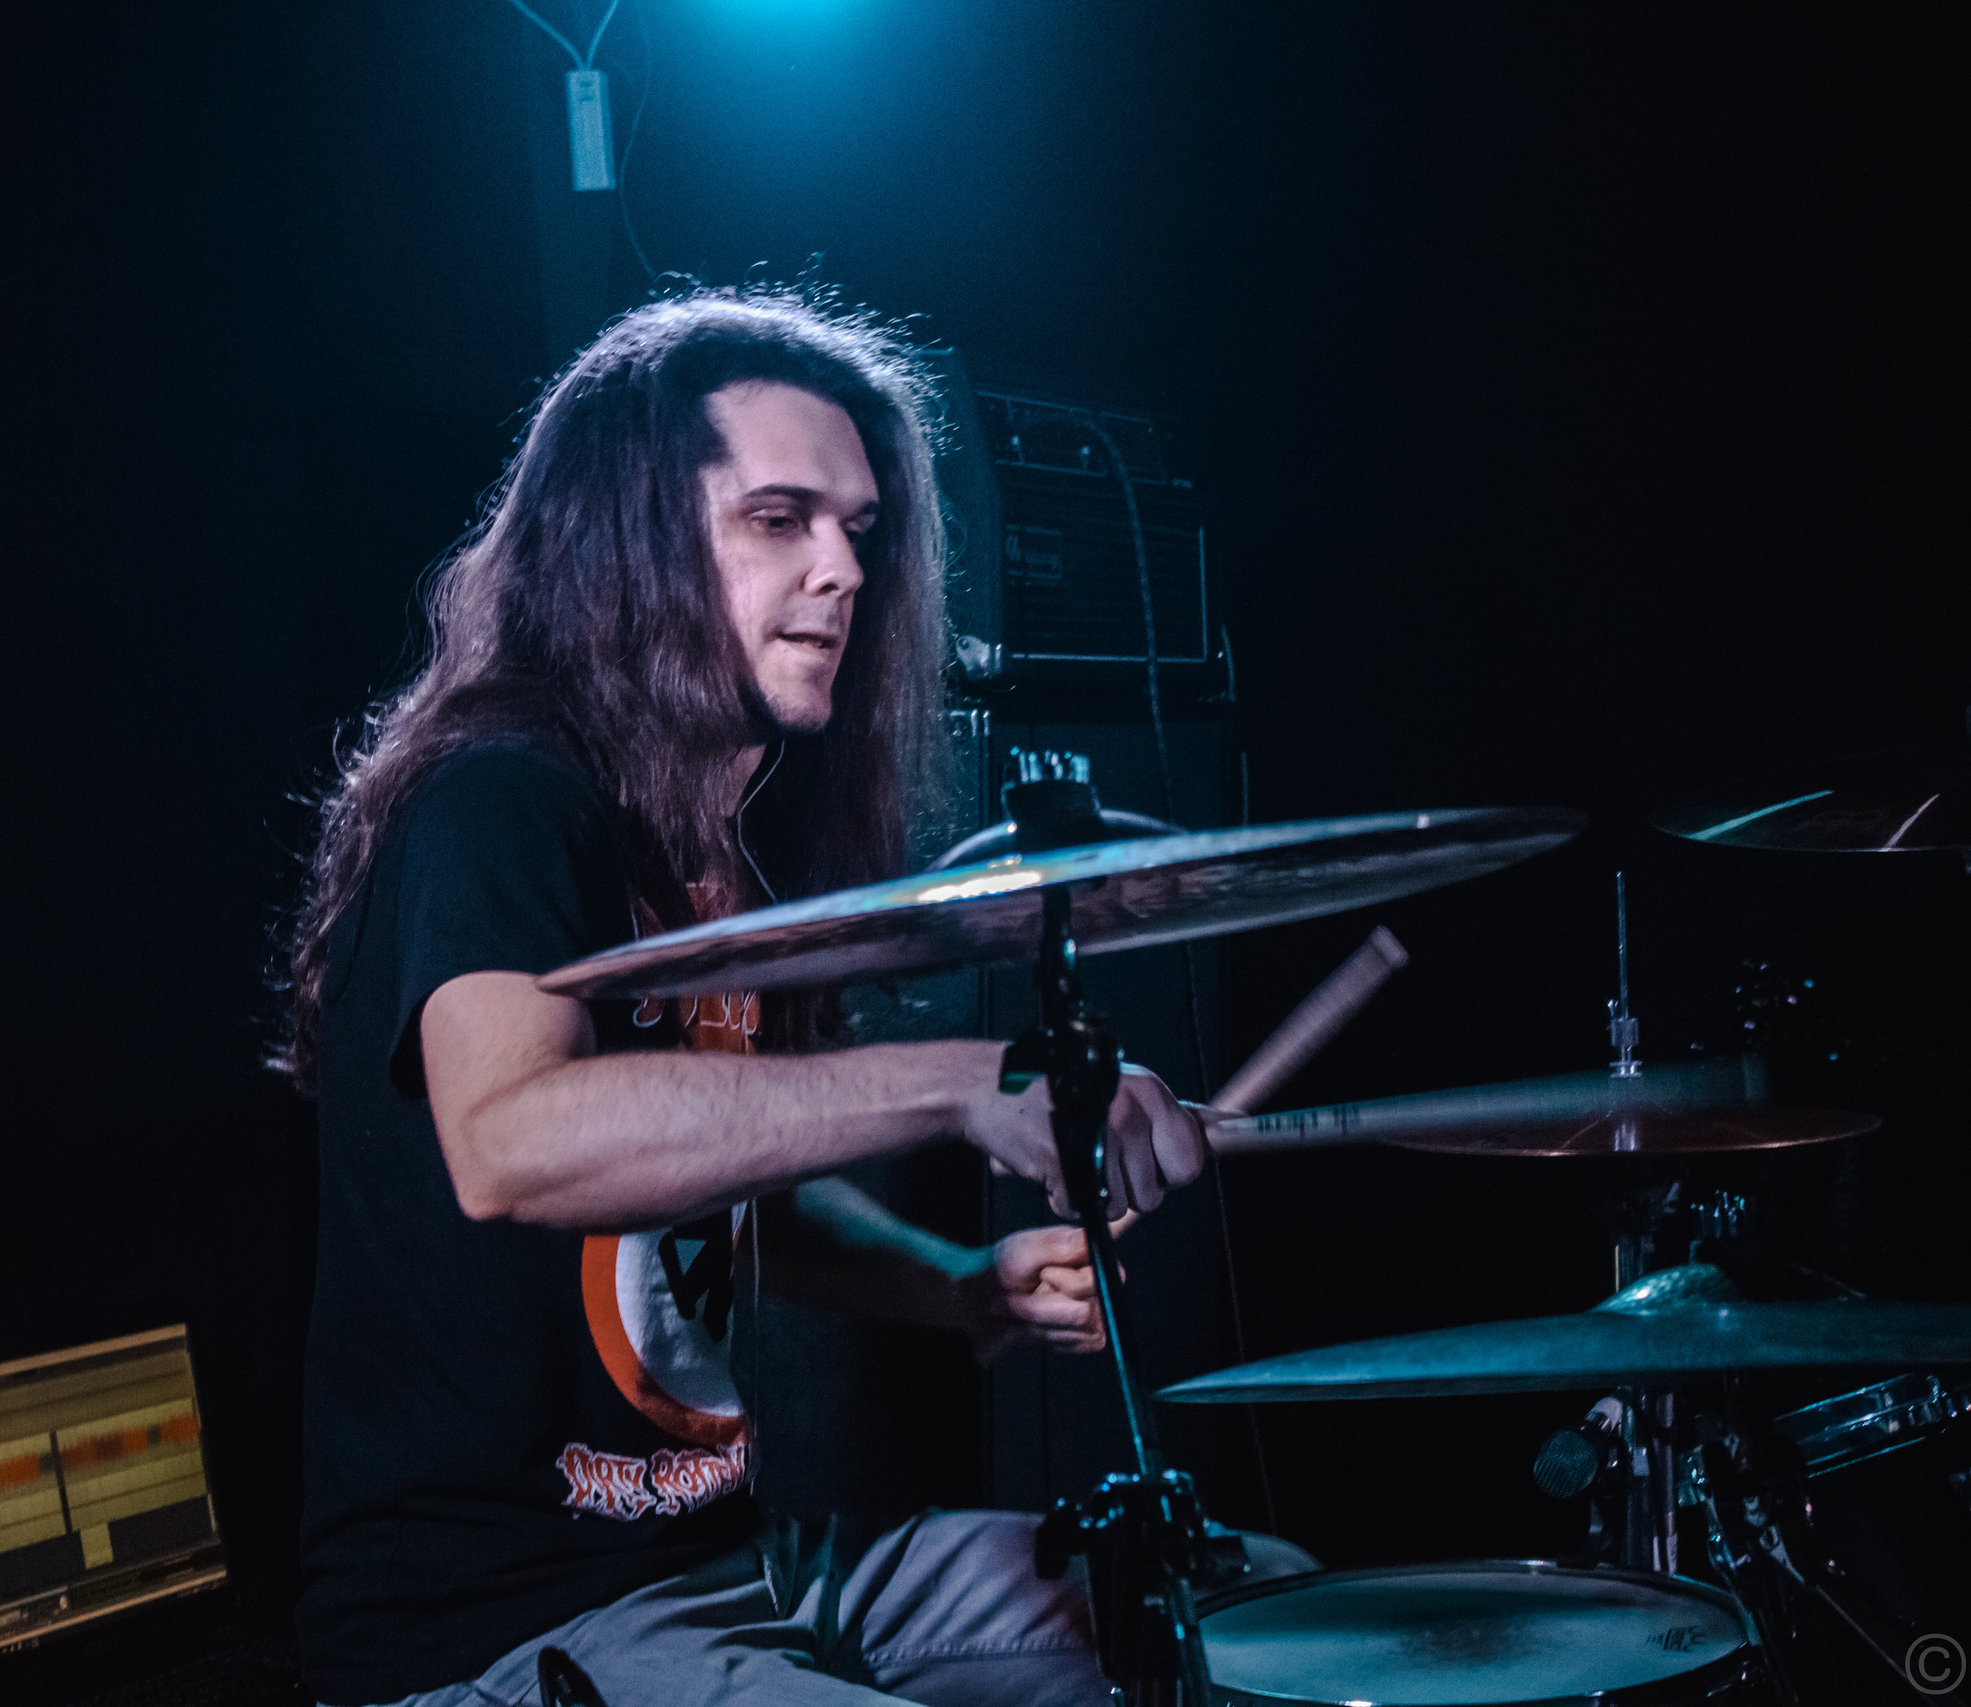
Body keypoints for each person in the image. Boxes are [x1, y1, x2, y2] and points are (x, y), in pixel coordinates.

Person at [278, 289, 1299, 1707]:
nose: (842, 570)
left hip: (738, 1567)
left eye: (860, 531)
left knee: (1241, 1610)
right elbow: (510, 1142)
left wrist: (955, 1292)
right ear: (624, 538)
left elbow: (727, 1197)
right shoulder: (501, 803)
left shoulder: (719, 858)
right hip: (495, 1633)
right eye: (780, 519)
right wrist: (961, 1083)